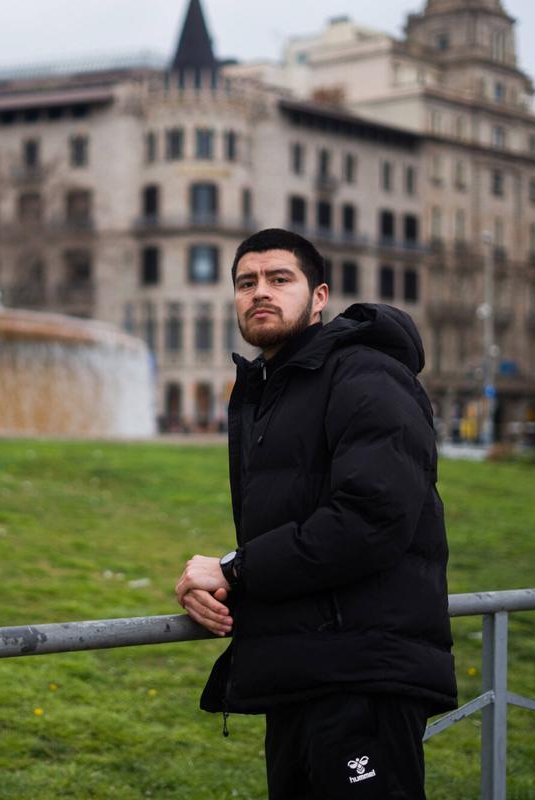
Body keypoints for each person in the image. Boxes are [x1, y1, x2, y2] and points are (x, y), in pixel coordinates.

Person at [174, 228, 456, 799]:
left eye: (281, 279)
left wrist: (234, 569)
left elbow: (370, 519)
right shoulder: (273, 390)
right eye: (246, 282)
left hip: (361, 678)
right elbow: (296, 523)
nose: (260, 293)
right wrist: (224, 584)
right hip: (301, 671)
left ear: (320, 296)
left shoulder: (364, 374)